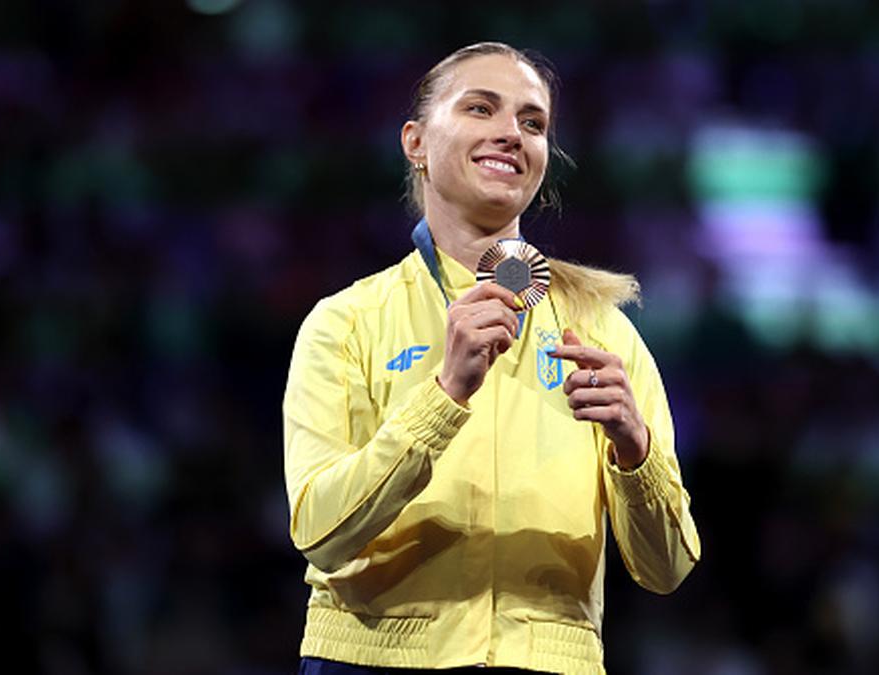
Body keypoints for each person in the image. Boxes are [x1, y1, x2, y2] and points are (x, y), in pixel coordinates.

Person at [283, 42, 700, 674]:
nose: (511, 133)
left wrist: (634, 449)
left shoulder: (602, 332)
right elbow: (320, 534)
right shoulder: (345, 323)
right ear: (416, 143)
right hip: (371, 661)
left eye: (532, 123)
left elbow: (667, 568)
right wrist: (443, 395)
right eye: (481, 108)